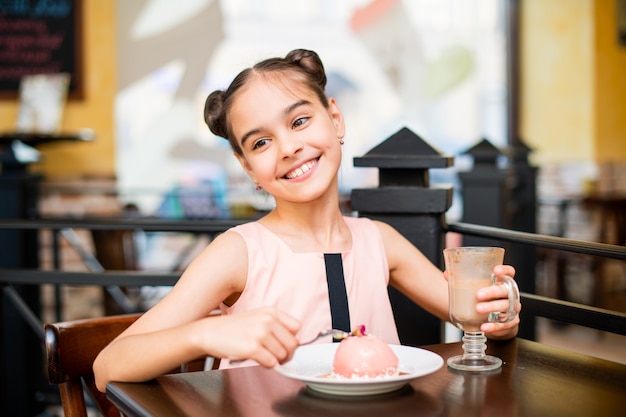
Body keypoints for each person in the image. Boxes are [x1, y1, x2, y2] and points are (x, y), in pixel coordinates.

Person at [93, 49, 520, 392]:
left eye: (300, 121)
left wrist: (501, 314)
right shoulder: (239, 252)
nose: (288, 147)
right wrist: (203, 335)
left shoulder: (379, 241)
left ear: (335, 119)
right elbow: (108, 367)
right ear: (247, 168)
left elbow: (474, 319)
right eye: (261, 142)